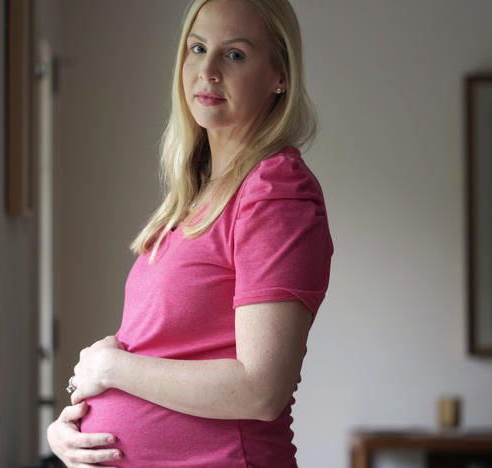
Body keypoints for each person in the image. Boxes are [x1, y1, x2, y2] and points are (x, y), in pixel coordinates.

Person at [46, 0, 333, 466]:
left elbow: (260, 389)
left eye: (235, 54)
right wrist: (71, 424)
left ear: (280, 74)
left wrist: (112, 368)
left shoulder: (275, 191)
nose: (209, 70)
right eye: (197, 48)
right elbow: (162, 350)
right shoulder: (197, 195)